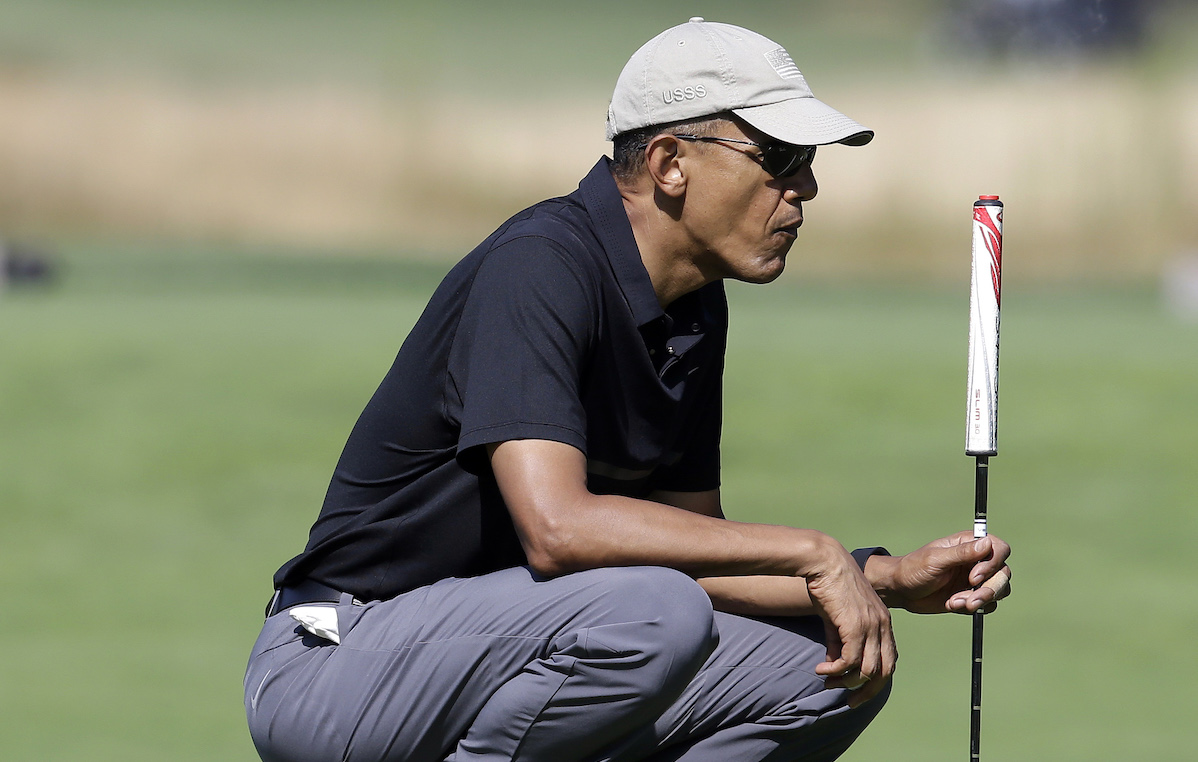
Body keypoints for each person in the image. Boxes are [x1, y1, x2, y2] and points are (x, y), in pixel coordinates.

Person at [244, 18, 1012, 762]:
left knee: (837, 669)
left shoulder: (694, 304)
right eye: (779, 156)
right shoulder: (541, 263)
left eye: (808, 161)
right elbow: (558, 531)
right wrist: (812, 554)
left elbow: (696, 555)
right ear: (670, 162)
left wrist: (884, 578)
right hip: (338, 661)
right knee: (654, 612)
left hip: (505, 659)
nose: (805, 187)